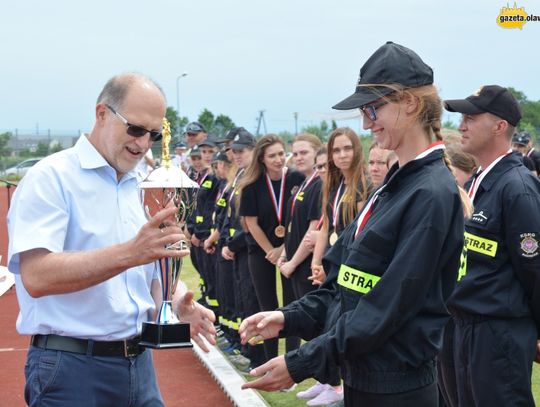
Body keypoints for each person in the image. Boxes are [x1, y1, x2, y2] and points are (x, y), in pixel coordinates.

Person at [239, 41, 465, 407]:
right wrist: (287, 317)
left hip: (397, 387)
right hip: (364, 376)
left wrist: (301, 362)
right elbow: (341, 285)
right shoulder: (394, 185)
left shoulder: (431, 193)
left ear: (410, 102)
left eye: (373, 108)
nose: (365, 122)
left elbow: (387, 306)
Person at [7, 73, 216, 407]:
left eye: (155, 133)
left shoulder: (142, 185)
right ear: (101, 113)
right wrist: (131, 253)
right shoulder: (50, 178)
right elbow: (36, 276)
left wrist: (175, 302)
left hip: (139, 365)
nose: (144, 143)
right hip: (72, 369)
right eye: (135, 129)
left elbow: (150, 265)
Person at [441, 85, 540, 406]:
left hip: (500, 334)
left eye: (471, 117)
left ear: (499, 127)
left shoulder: (517, 188)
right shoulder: (477, 182)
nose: (461, 125)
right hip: (465, 328)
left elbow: (535, 270)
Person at [237, 134, 305, 363]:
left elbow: (301, 218)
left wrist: (283, 249)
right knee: (267, 305)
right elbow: (251, 223)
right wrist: (271, 252)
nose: (278, 160)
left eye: (280, 154)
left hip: (291, 249)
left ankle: (292, 361)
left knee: (292, 305)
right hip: (261, 251)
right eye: (272, 156)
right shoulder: (252, 184)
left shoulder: (298, 179)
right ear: (262, 159)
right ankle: (269, 361)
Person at [310, 127, 371, 286]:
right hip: (330, 261)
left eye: (347, 148)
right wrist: (316, 263)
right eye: (336, 150)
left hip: (349, 266)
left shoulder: (364, 185)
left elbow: (360, 234)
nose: (342, 155)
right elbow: (325, 228)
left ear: (356, 150)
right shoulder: (333, 186)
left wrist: (331, 267)